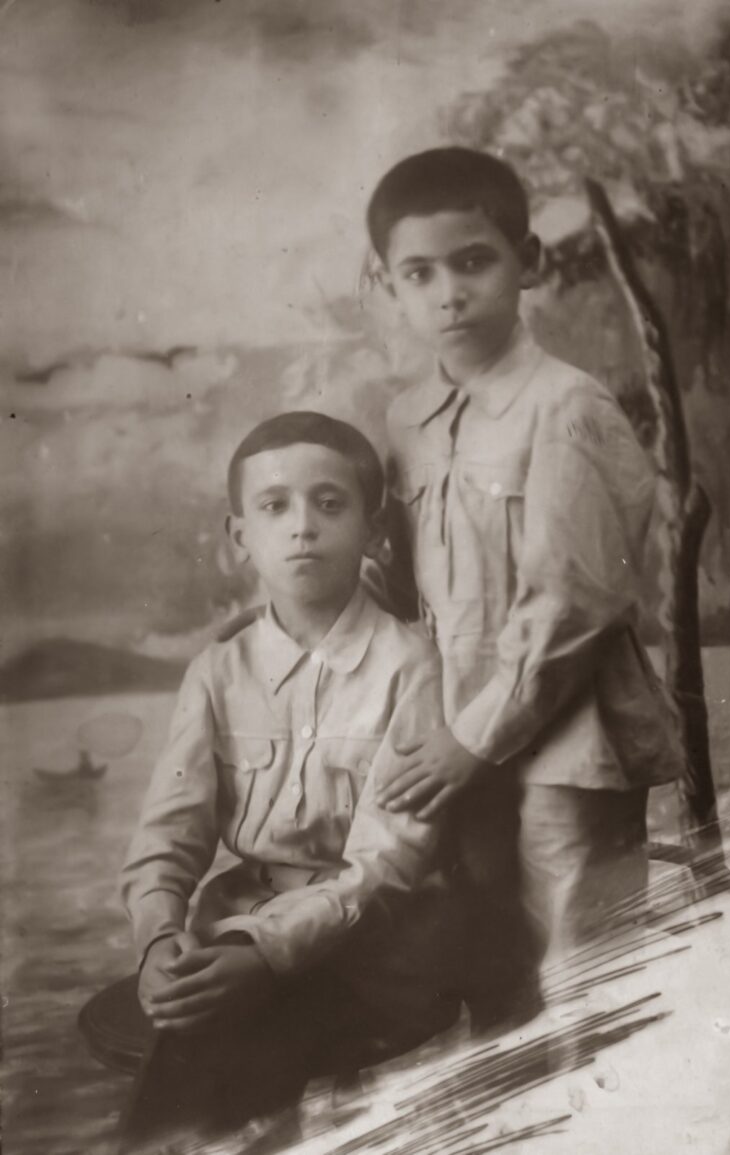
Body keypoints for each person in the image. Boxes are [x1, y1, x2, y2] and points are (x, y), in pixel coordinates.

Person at [368, 147, 684, 1025]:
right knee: (491, 972)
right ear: (388, 286)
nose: (449, 294)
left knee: (584, 971)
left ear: (529, 262)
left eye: (474, 261)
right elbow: (416, 591)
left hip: (568, 744)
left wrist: (474, 739)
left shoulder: (567, 406)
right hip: (458, 738)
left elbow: (573, 602)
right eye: (419, 273)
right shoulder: (408, 421)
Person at [118, 411, 463, 1150]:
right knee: (194, 1029)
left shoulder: (410, 668)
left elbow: (388, 863)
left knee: (229, 1041)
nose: (302, 526)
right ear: (239, 536)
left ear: (373, 530)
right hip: (240, 929)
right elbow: (166, 838)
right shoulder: (218, 672)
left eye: (329, 504)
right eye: (275, 506)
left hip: (377, 948)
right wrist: (158, 940)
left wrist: (264, 953)